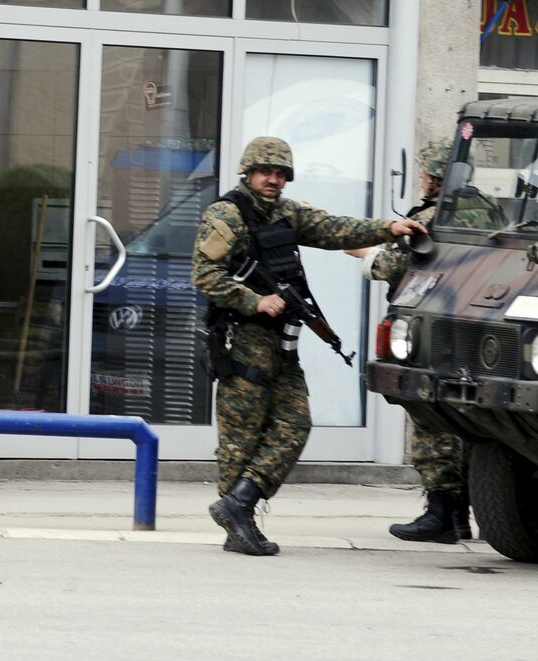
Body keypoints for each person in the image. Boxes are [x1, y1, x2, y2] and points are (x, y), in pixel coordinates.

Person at [191, 136, 427, 556]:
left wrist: (388, 228)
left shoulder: (287, 213)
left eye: (281, 173)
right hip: (242, 340)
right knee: (240, 437)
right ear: (249, 171)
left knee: (295, 424)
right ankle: (238, 524)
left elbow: (336, 229)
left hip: (281, 344)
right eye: (267, 172)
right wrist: (254, 300)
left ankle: (239, 503)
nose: (274, 179)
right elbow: (204, 274)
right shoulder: (226, 215)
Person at [345, 138, 472, 544]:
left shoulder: (435, 216)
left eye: (423, 172)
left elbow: (397, 265)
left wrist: (358, 250)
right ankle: (458, 515)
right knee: (466, 423)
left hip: (436, 330)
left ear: (434, 178)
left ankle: (441, 514)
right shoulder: (481, 209)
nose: (419, 177)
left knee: (431, 419)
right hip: (472, 329)